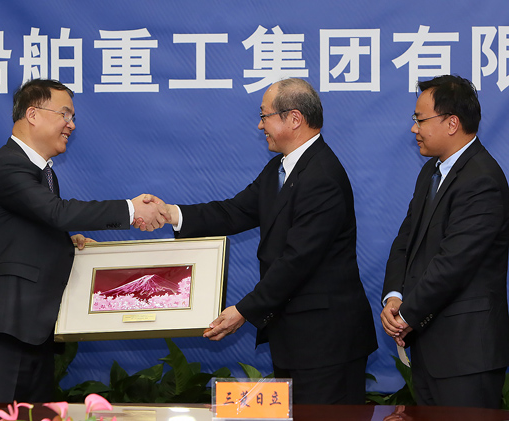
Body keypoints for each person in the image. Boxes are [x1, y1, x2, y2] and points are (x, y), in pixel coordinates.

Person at [147, 78, 378, 404]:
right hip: (295, 339)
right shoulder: (278, 169)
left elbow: (297, 261)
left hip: (327, 343)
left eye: (265, 116)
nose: (259, 125)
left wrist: (242, 311)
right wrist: (171, 214)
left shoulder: (322, 176)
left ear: (294, 119)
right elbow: (233, 213)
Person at [0, 78, 168, 402]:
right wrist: (130, 209)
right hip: (3, 324)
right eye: (65, 114)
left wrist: (63, 243)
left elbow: (33, 227)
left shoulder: (42, 172)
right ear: (33, 114)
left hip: (30, 325)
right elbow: (56, 212)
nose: (71, 125)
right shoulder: (8, 165)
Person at [381, 75, 509, 408]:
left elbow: (453, 264)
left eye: (420, 120)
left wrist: (406, 315)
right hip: (430, 351)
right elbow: (405, 241)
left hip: (467, 356)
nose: (414, 129)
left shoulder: (483, 180)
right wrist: (394, 297)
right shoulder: (432, 172)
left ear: (452, 123)